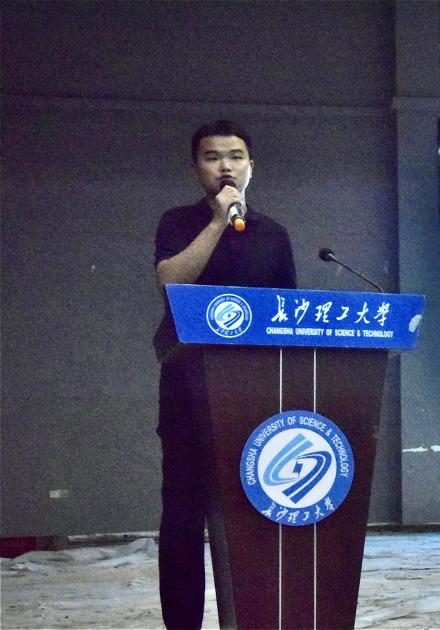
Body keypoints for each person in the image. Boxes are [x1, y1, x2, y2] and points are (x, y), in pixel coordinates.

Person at [152, 120, 296, 629]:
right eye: (212, 157)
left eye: (235, 156)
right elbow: (171, 282)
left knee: (259, 513)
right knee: (183, 517)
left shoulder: (274, 235)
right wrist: (217, 222)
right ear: (197, 168)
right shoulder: (177, 222)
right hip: (188, 391)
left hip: (257, 394)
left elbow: (288, 316)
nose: (225, 166)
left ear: (251, 166)